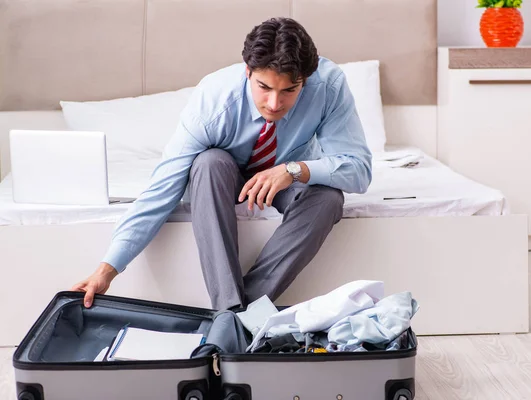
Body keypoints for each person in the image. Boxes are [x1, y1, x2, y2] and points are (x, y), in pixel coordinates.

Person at [71, 17, 372, 310]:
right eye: (264, 87)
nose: (274, 104)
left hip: (285, 174)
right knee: (209, 162)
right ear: (247, 72)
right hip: (220, 178)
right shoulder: (213, 101)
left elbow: (359, 169)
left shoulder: (328, 85)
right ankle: (231, 309)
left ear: (305, 79)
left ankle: (235, 317)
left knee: (328, 197)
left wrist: (294, 170)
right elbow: (160, 191)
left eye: (289, 91)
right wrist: (106, 270)